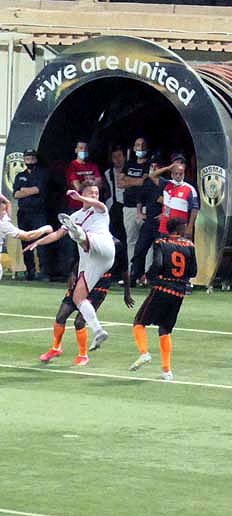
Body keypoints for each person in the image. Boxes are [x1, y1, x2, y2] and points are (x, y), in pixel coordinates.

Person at [24, 182, 115, 348]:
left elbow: (98, 204)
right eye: (91, 193)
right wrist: (38, 242)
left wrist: (80, 198)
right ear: (83, 193)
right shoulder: (75, 216)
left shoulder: (100, 210)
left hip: (103, 246)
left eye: (96, 193)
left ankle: (77, 232)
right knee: (78, 298)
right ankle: (98, 330)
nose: (95, 195)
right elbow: (57, 235)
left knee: (78, 235)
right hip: (94, 260)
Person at [129, 217, 197, 382]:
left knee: (139, 322)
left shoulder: (161, 242)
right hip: (179, 292)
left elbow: (158, 264)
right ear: (179, 228)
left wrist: (149, 276)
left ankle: (144, 353)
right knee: (165, 329)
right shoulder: (189, 245)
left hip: (162, 288)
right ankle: (167, 371)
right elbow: (193, 271)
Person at [38, 260, 133, 366]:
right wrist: (73, 274)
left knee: (79, 322)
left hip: (98, 287)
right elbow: (80, 259)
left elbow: (125, 271)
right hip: (83, 280)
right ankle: (56, 348)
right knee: (61, 316)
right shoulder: (88, 248)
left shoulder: (118, 250)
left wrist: (127, 293)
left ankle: (83, 355)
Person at [12, 150, 52, 280]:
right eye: (27, 159)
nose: (30, 161)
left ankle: (43, 272)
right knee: (25, 241)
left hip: (38, 212)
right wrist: (29, 191)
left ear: (36, 159)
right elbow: (16, 194)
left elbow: (38, 189)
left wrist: (24, 190)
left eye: (32, 158)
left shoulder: (42, 174)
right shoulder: (20, 175)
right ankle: (30, 271)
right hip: (23, 213)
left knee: (41, 242)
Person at [131, 153, 166, 286]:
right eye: (152, 166)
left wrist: (164, 214)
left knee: (159, 252)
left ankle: (153, 277)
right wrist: (139, 212)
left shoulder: (165, 183)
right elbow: (140, 198)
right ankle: (135, 275)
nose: (154, 168)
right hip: (149, 220)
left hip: (161, 222)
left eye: (156, 166)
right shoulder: (147, 182)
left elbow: (171, 202)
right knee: (140, 249)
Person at [120, 137, 151, 284]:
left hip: (145, 207)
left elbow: (145, 182)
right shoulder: (129, 164)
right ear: (133, 148)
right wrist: (136, 181)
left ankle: (147, 275)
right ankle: (132, 274)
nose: (140, 148)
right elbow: (120, 183)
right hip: (128, 207)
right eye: (138, 145)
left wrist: (129, 181)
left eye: (143, 145)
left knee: (147, 242)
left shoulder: (149, 164)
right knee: (131, 241)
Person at [151, 155, 198, 237]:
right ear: (172, 174)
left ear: (184, 174)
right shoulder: (166, 184)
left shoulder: (190, 188)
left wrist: (190, 227)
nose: (178, 176)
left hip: (180, 229)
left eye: (180, 174)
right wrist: (168, 168)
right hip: (164, 227)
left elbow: (195, 209)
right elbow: (152, 176)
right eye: (176, 173)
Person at [104, 145, 129, 274]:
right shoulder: (108, 173)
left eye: (119, 156)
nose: (117, 159)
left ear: (125, 157)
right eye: (114, 157)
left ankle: (125, 269)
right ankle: (113, 269)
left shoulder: (130, 171)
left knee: (127, 239)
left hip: (127, 207)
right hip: (113, 209)